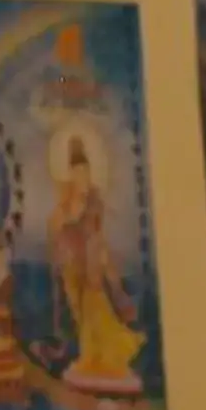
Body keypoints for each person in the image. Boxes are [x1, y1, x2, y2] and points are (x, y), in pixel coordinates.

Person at [47, 136, 146, 394]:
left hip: (92, 274)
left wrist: (117, 287)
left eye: (86, 173)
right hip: (72, 274)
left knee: (99, 318)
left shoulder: (94, 206)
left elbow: (100, 245)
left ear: (91, 175)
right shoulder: (64, 207)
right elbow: (56, 238)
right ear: (71, 175)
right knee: (82, 322)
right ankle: (90, 361)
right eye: (77, 174)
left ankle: (104, 362)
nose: (82, 179)